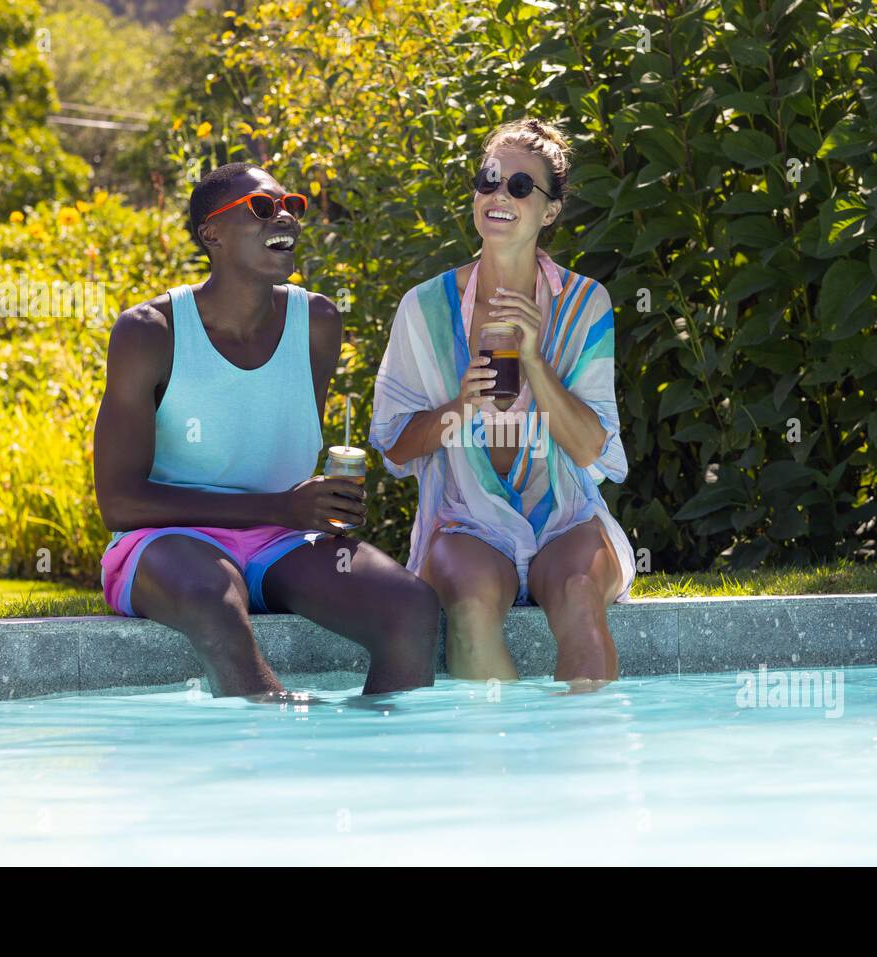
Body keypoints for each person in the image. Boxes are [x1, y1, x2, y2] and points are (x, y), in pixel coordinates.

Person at [93, 162, 440, 699]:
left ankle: (377, 764)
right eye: (262, 207)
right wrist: (281, 507)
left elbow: (281, 451)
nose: (284, 216)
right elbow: (120, 503)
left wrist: (319, 507)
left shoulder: (317, 322)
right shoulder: (150, 332)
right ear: (211, 233)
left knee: (409, 605)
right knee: (216, 594)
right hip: (165, 542)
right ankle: (271, 752)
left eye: (291, 206)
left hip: (280, 541)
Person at [369, 119, 634, 686]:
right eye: (488, 181)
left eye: (519, 186)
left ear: (550, 210)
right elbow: (393, 446)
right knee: (467, 608)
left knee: (581, 596)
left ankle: (589, 765)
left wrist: (536, 363)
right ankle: (503, 764)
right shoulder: (425, 309)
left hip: (564, 514)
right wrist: (457, 407)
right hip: (465, 515)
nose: (498, 196)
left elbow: (591, 449)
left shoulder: (585, 303)